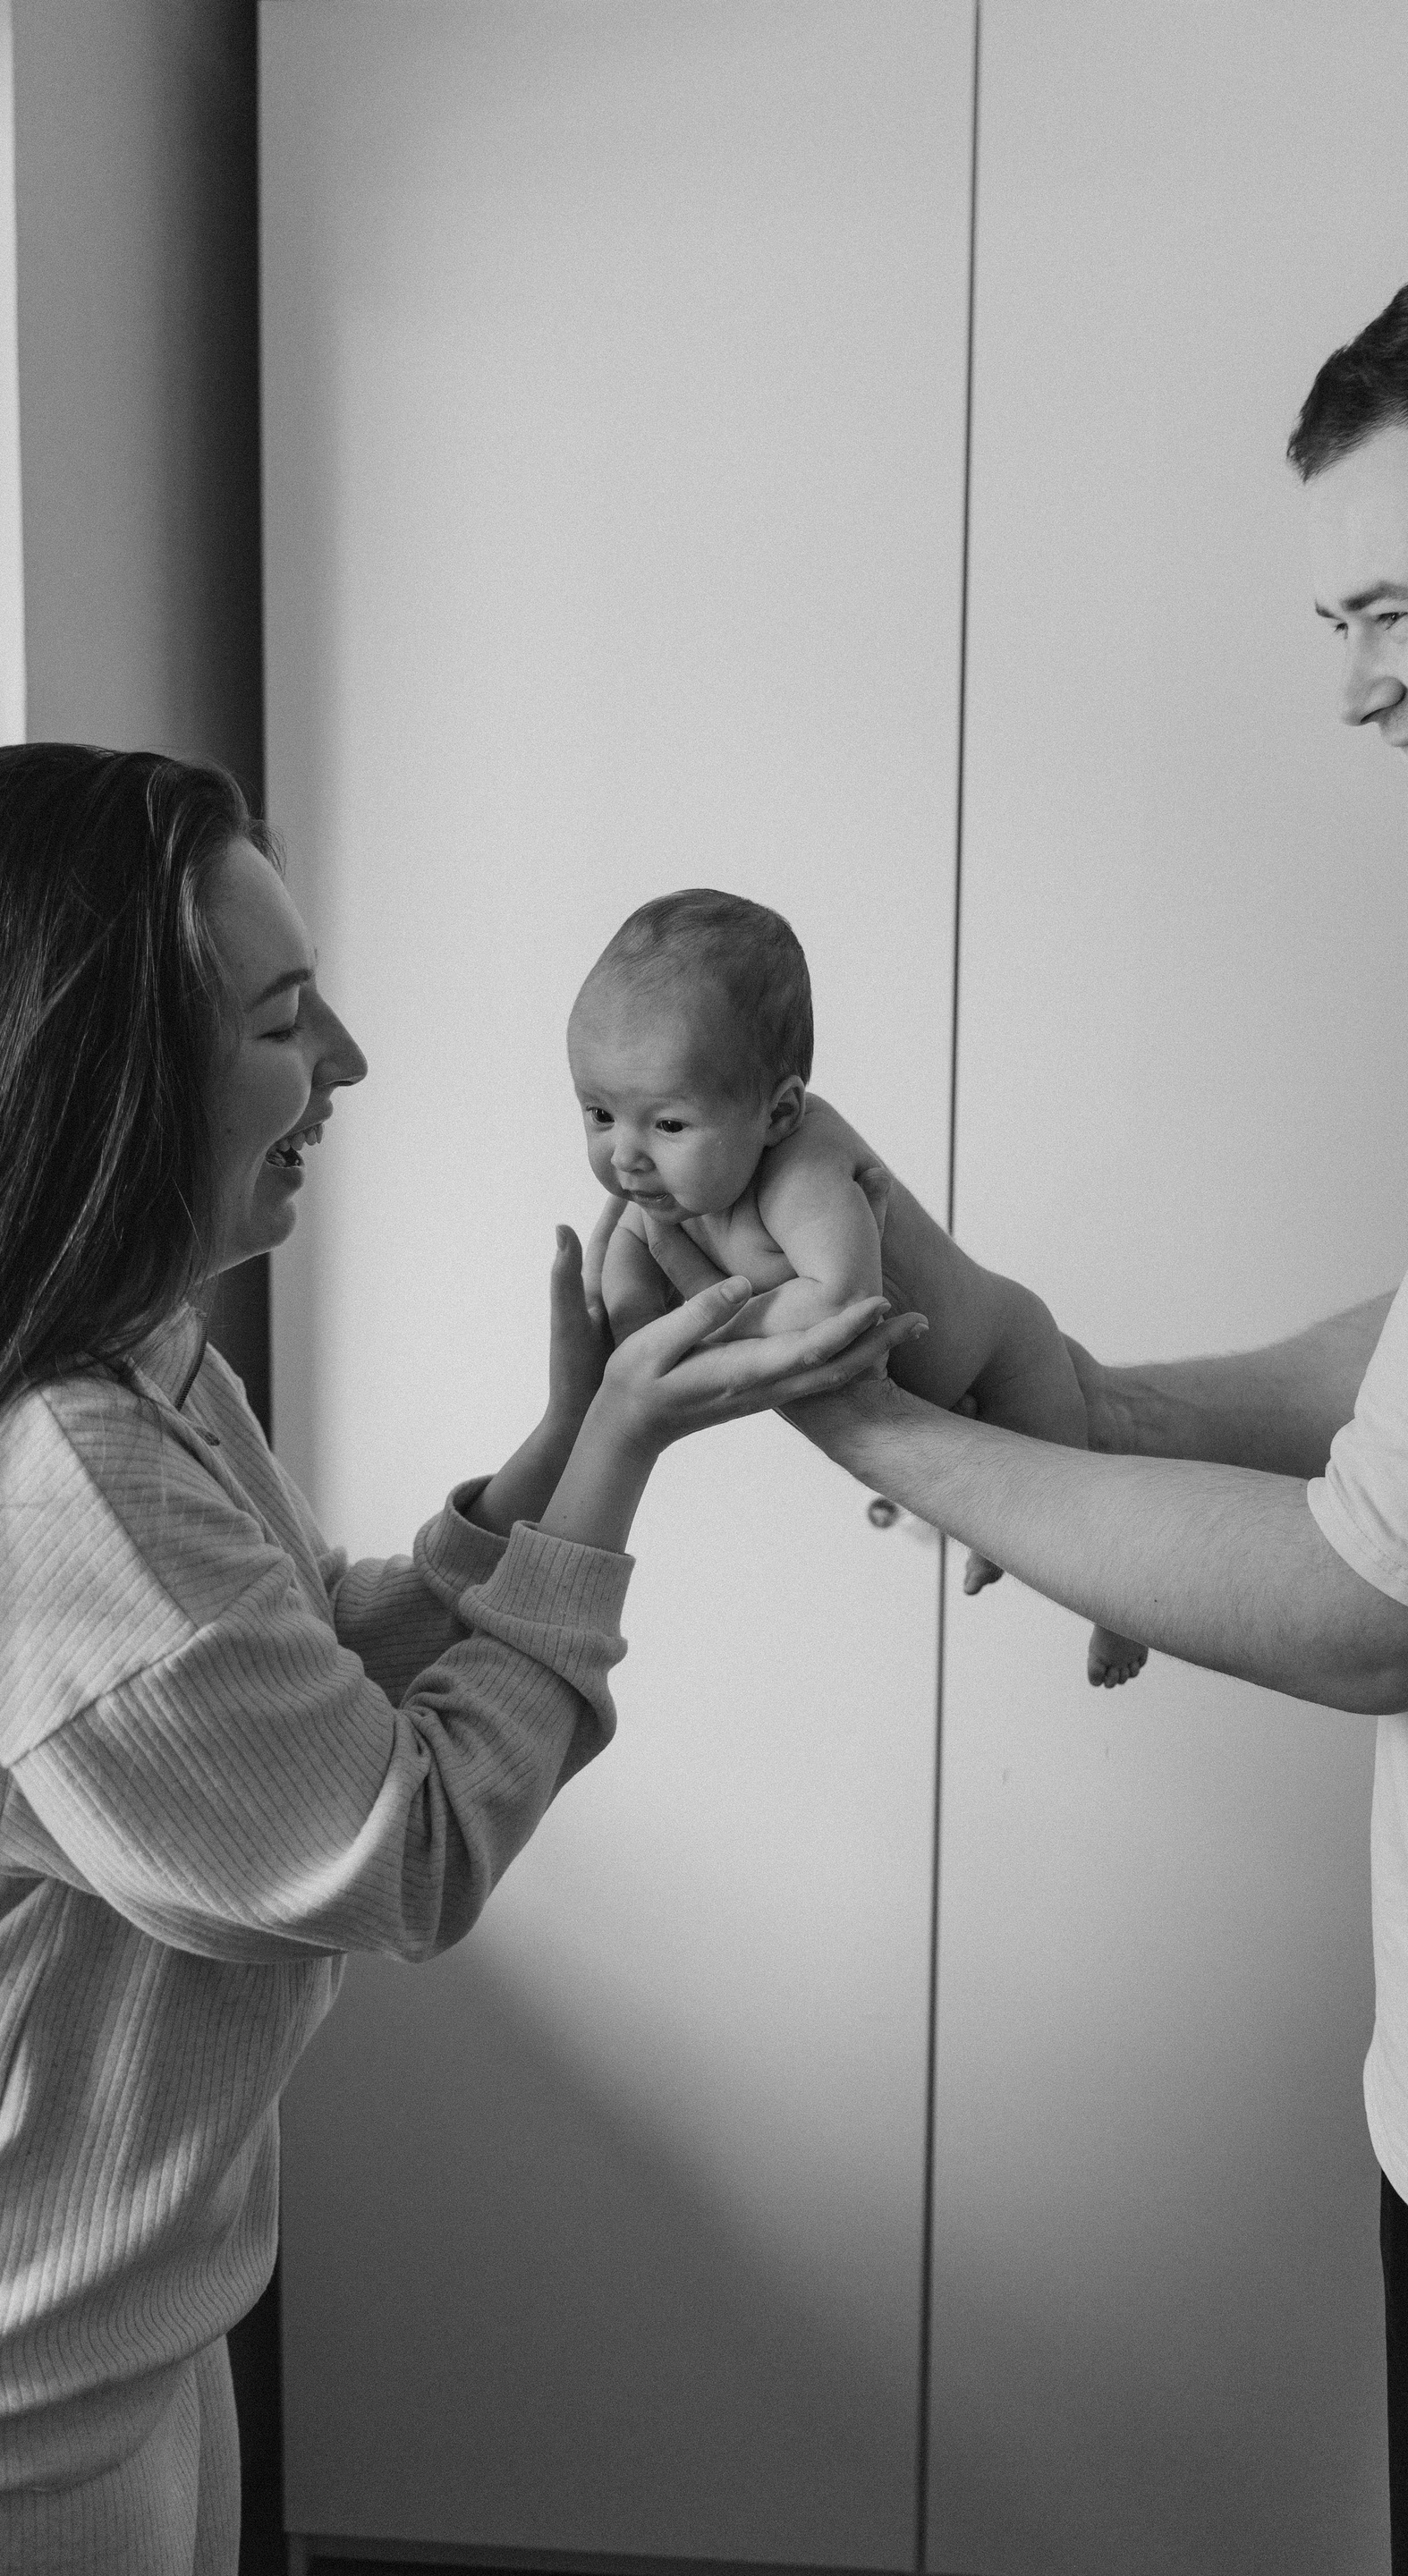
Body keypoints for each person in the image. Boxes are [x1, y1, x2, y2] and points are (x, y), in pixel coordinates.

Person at [760, 233, 1408, 2569]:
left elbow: (1390, 1599)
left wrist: (877, 1431)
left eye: (1392, 611)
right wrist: (1093, 1409)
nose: (1359, 690)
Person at [0, 745, 912, 2576]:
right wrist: (620, 1461)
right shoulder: (68, 1481)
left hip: (124, 2329)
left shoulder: (141, 1358)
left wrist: (562, 1444)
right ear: (117, 1078)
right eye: (284, 1021)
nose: (348, 1060)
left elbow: (301, 1668)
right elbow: (394, 1843)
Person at [568, 886, 1146, 1685]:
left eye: (667, 1124)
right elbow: (632, 1283)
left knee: (1073, 1511)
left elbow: (839, 1306)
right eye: (599, 1113)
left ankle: (1124, 1614)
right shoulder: (668, 1186)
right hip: (923, 1394)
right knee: (1006, 1512)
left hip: (1003, 1353)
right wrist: (637, 1334)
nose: (625, 1155)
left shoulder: (803, 1170)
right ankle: (1002, 1541)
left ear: (778, 1113)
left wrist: (708, 1327)